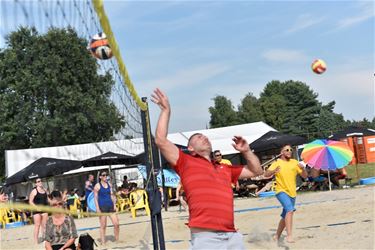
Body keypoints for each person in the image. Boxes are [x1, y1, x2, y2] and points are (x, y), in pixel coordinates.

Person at [151, 88, 263, 249]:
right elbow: (160, 140)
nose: (203, 137)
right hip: (206, 238)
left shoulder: (224, 167)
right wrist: (166, 110)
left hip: (232, 236)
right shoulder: (185, 162)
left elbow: (256, 171)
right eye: (198, 137)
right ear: (190, 147)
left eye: (205, 136)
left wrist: (247, 151)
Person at [264, 145, 307, 243]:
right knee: (290, 211)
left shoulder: (295, 163)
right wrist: (274, 171)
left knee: (286, 215)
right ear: (282, 152)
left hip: (292, 192)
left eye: (291, 150)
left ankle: (277, 235)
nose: (289, 151)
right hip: (280, 191)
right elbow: (266, 174)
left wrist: (303, 168)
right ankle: (289, 236)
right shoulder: (277, 162)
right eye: (287, 150)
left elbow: (305, 176)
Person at [93, 171, 119, 244]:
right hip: (102, 207)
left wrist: (114, 205)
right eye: (103, 175)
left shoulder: (109, 184)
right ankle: (103, 242)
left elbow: (112, 195)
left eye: (106, 175)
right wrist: (97, 208)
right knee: (103, 225)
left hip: (110, 206)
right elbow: (95, 198)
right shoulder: (97, 186)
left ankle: (117, 240)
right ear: (100, 177)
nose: (105, 177)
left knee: (116, 224)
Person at [29, 178, 49, 244]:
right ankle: (35, 241)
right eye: (38, 181)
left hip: (44, 209)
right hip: (36, 210)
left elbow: (47, 200)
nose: (40, 182)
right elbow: (30, 201)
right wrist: (36, 208)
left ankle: (45, 239)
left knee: (44, 225)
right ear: (36, 183)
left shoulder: (45, 190)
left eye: (41, 181)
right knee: (37, 225)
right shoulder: (34, 191)